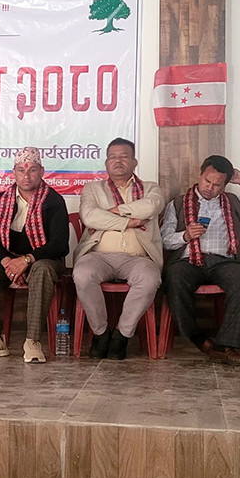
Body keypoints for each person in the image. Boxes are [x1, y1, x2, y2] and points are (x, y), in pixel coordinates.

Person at [160, 155, 240, 365]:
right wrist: (185, 236)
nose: (209, 188)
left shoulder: (234, 203)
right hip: (189, 261)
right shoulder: (177, 204)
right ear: (200, 174)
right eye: (207, 181)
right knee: (174, 278)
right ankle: (200, 340)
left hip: (224, 261)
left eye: (217, 185)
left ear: (226, 184)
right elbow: (164, 241)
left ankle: (225, 346)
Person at [0, 147, 69, 363]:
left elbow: (59, 244)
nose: (26, 175)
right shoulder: (3, 200)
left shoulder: (53, 201)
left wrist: (26, 260)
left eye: (32, 170)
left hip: (42, 261)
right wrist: (8, 263)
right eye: (21, 170)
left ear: (41, 172)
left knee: (42, 270)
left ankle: (32, 341)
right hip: (9, 261)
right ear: (14, 172)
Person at [73, 138, 163, 360]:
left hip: (138, 258)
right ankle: (101, 333)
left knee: (149, 278)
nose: (118, 161)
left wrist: (112, 212)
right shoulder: (93, 189)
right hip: (99, 255)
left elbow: (151, 206)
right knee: (83, 273)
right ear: (106, 163)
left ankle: (122, 335)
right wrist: (130, 221)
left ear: (134, 161)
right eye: (112, 157)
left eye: (124, 156)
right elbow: (89, 217)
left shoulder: (151, 188)